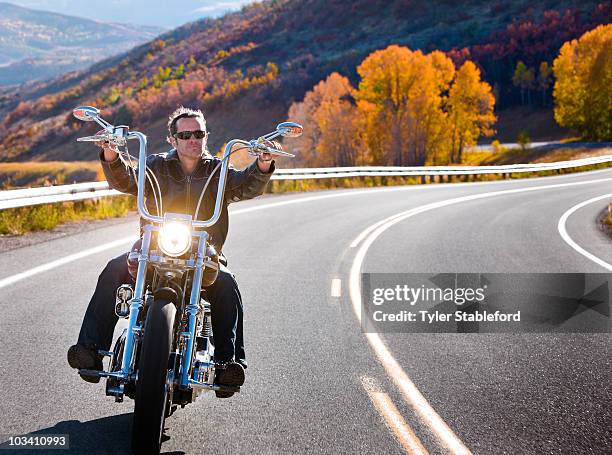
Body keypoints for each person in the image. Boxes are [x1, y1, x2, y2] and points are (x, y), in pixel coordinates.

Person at [67, 106, 278, 398]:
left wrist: (263, 164)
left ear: (207, 136)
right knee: (114, 269)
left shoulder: (218, 171)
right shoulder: (155, 167)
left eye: (199, 133)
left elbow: (248, 185)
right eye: (186, 134)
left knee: (227, 284)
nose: (194, 139)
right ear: (172, 139)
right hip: (155, 247)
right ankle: (89, 349)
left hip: (203, 254)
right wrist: (112, 156)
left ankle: (228, 364)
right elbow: (126, 180)